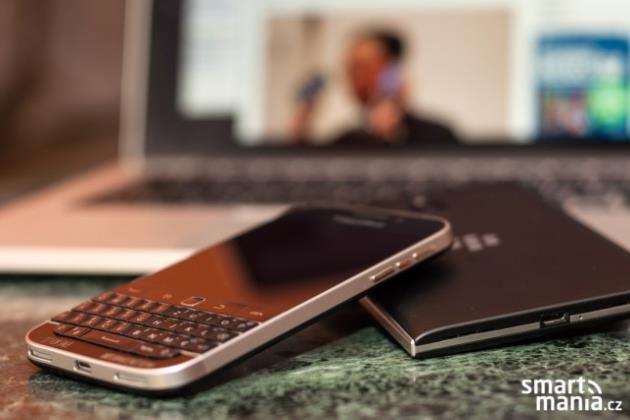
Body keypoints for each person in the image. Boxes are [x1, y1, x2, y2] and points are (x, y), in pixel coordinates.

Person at [334, 30, 458, 146]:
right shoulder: (344, 143)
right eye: (350, 69)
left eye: (362, 67)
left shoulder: (438, 137)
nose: (353, 76)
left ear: (392, 71)